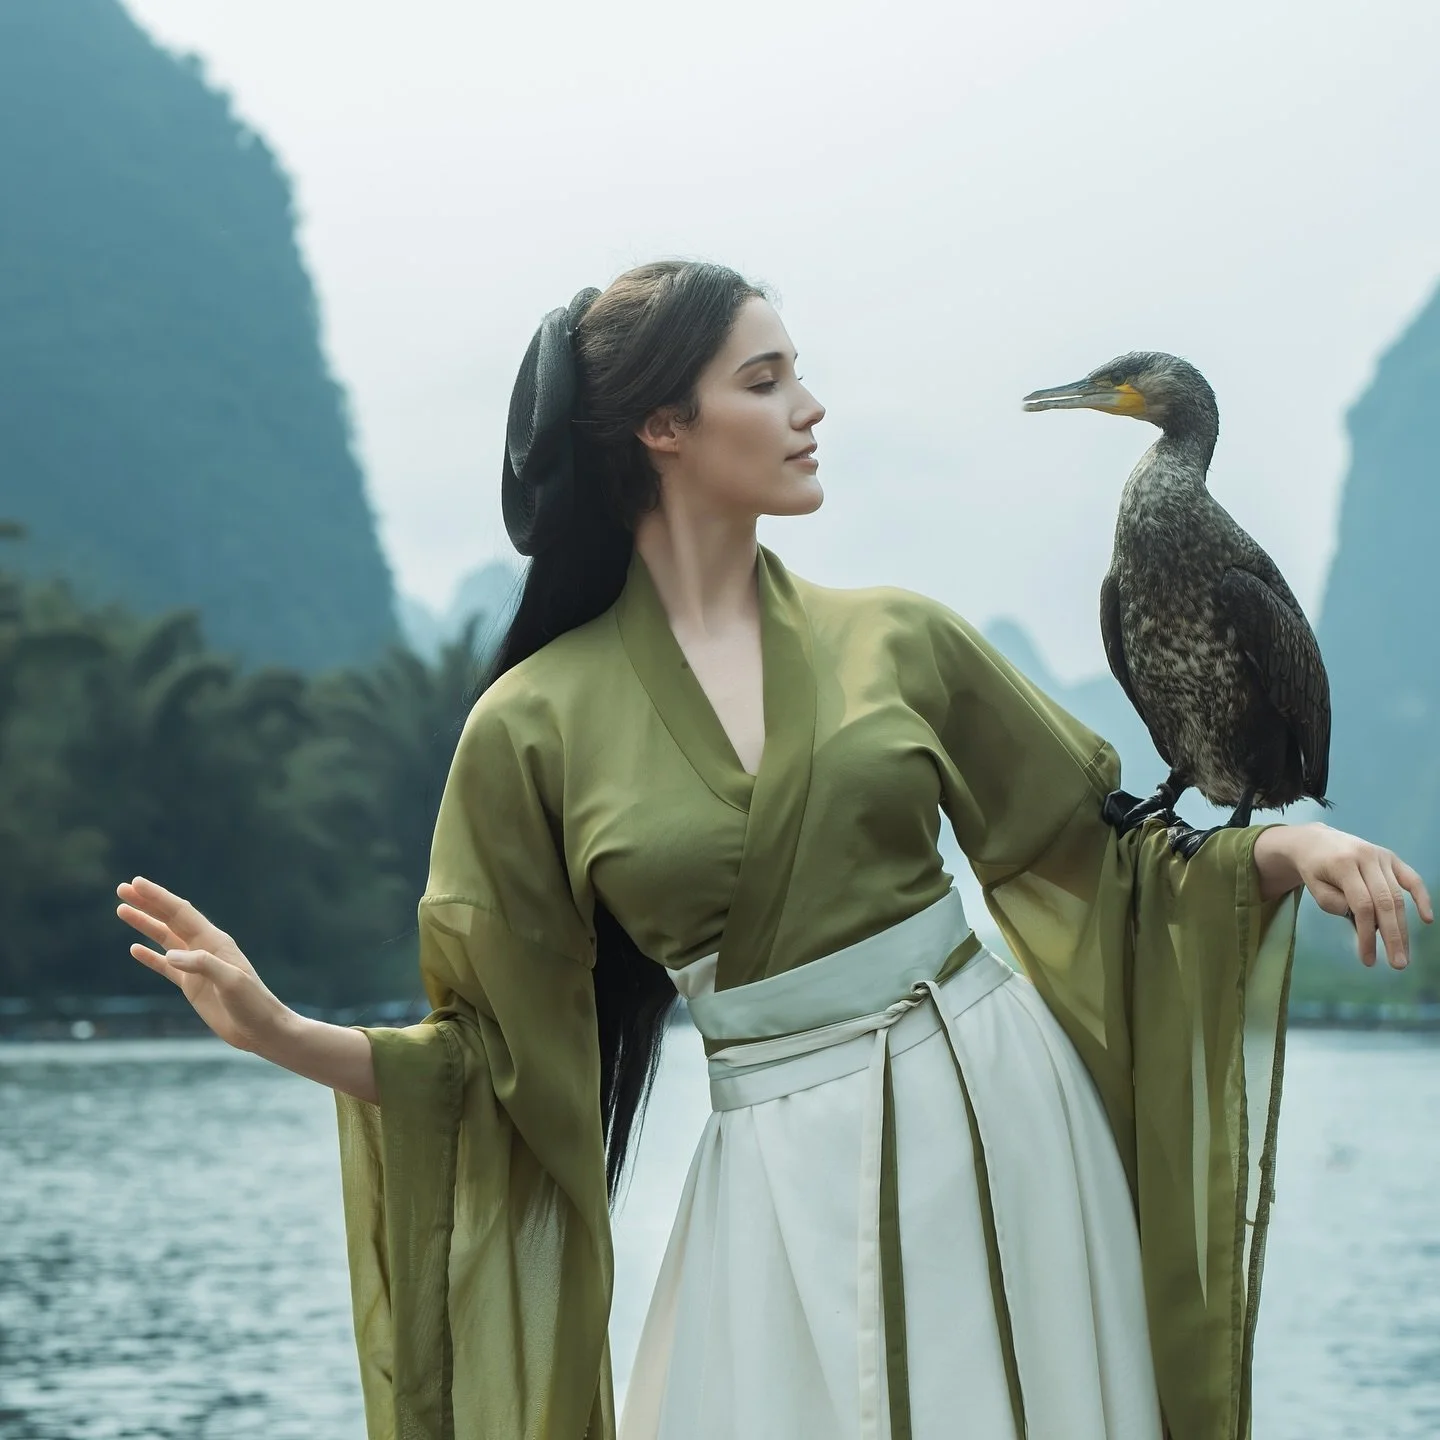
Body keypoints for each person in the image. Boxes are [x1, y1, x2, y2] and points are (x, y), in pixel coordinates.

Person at [117, 260, 1431, 1440]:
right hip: (772, 1183)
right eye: (767, 378)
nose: (812, 406)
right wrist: (281, 1031)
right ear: (663, 428)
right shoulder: (529, 728)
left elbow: (1115, 867)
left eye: (800, 373)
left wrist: (1288, 847)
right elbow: (496, 1058)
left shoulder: (902, 638)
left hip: (1006, 1132)